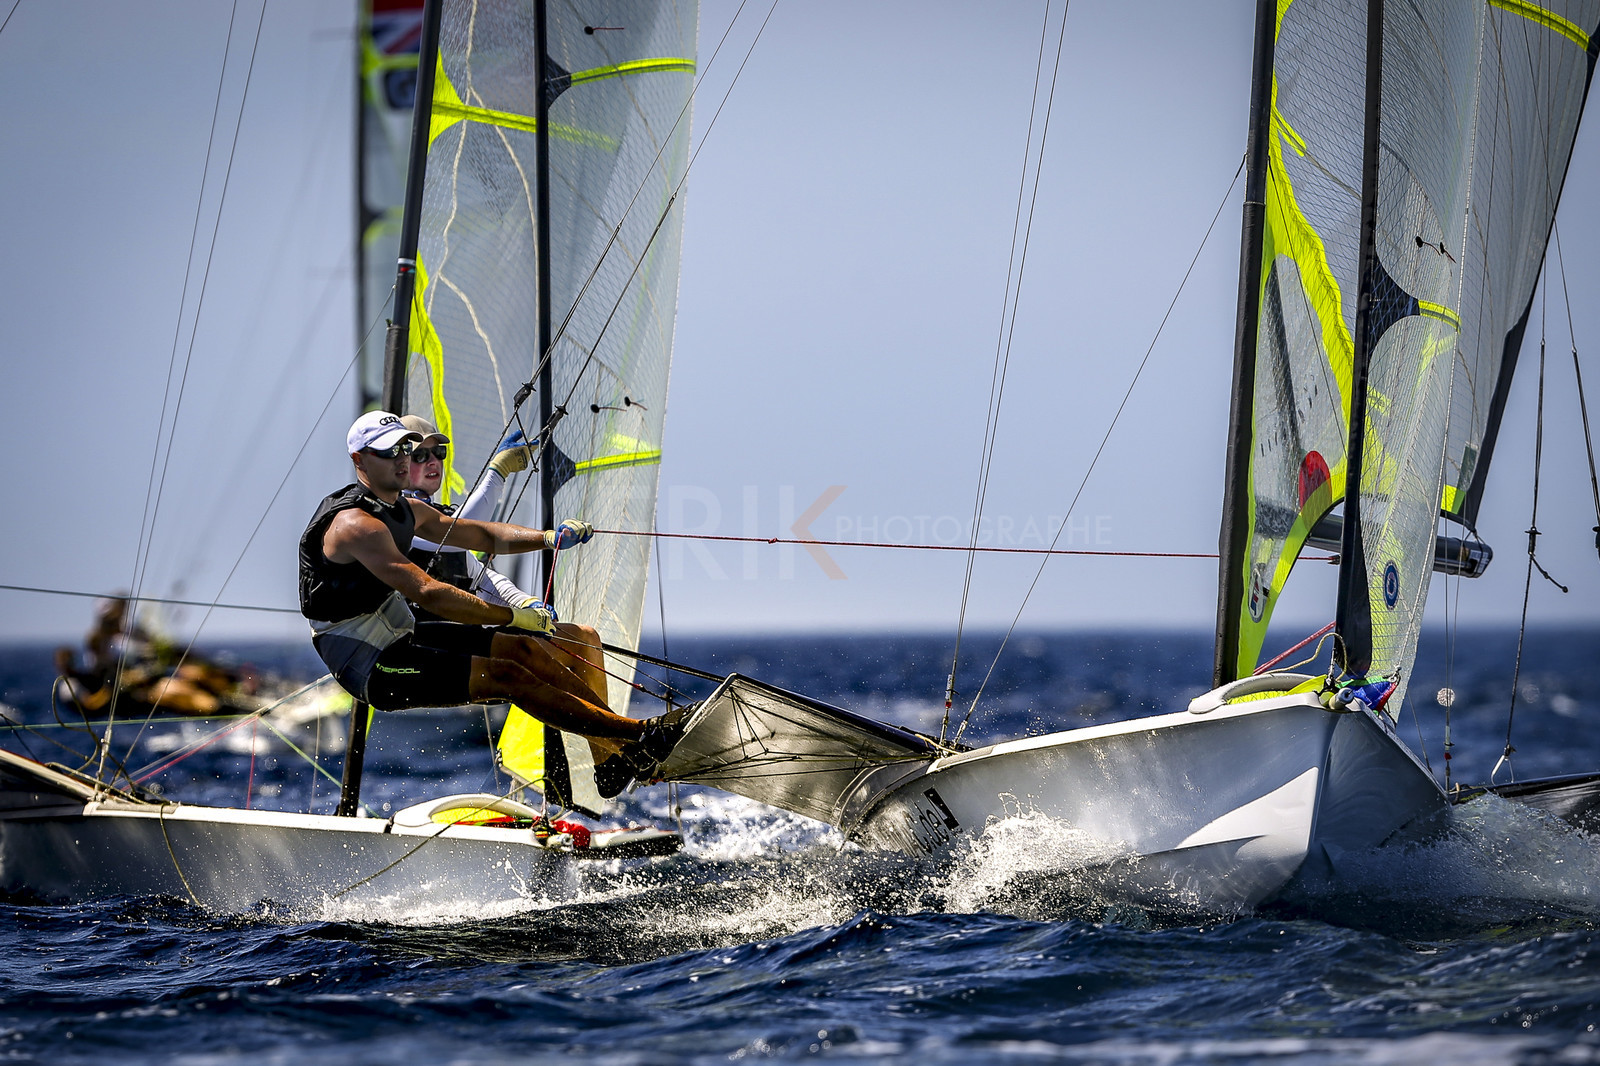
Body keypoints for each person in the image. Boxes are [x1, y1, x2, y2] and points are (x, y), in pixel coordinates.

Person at [298, 411, 679, 770]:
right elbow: (430, 593)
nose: (402, 459)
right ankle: (639, 737)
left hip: (400, 631)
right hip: (369, 662)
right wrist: (513, 615)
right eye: (390, 452)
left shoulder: (404, 510)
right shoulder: (355, 525)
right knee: (507, 675)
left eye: (404, 448)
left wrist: (547, 538)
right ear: (360, 459)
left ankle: (624, 751)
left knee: (522, 650)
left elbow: (478, 533)